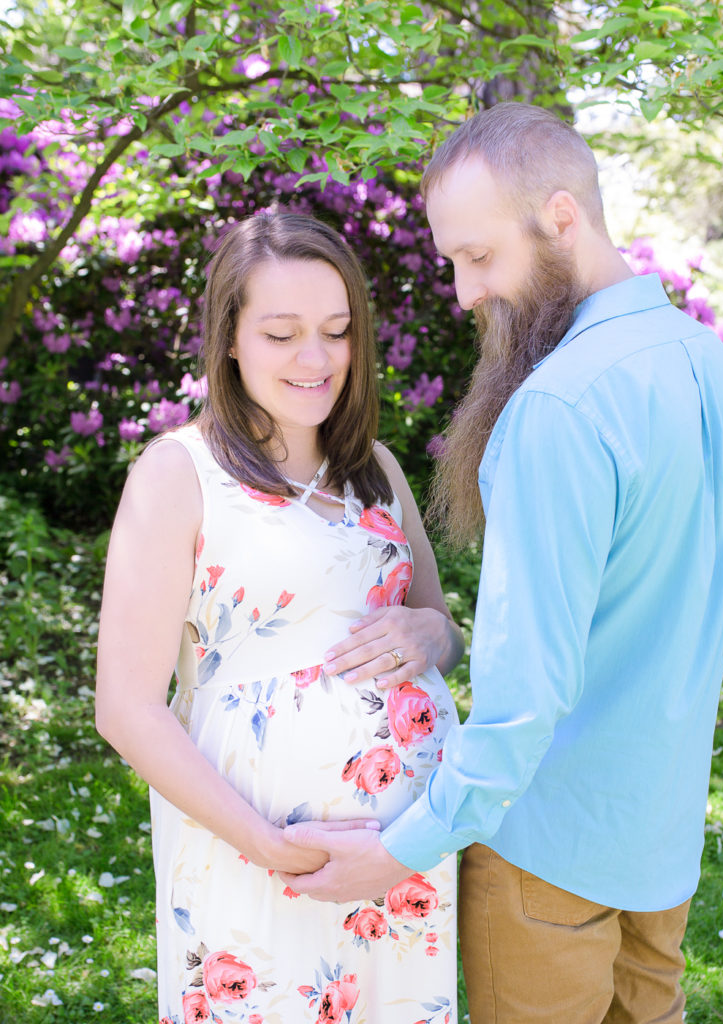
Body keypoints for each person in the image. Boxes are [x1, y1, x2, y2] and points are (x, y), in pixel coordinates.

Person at [281, 103, 723, 1024]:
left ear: (562, 216)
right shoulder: (706, 363)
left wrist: (399, 849)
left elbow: (524, 692)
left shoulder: (560, 407)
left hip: (545, 854)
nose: (463, 291)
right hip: (659, 843)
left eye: (479, 256)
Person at [95, 212, 465, 1024]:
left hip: (401, 854)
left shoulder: (375, 469)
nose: (316, 359)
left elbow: (437, 622)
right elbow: (125, 707)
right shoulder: (176, 473)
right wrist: (265, 843)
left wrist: (432, 634)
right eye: (282, 334)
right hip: (251, 854)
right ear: (229, 337)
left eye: (336, 332)